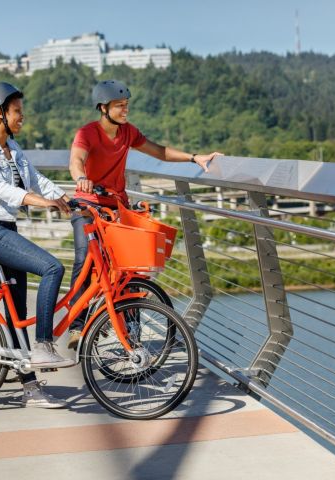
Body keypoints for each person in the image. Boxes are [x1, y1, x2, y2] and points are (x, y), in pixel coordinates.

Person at [67, 79, 222, 349]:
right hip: (88, 206)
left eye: (126, 105)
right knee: (85, 258)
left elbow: (159, 151)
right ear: (103, 108)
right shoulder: (87, 133)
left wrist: (194, 157)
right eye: (119, 106)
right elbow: (76, 160)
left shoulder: (128, 133)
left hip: (116, 206)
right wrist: (82, 178)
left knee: (127, 267)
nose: (125, 111)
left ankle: (130, 325)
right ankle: (76, 324)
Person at [0, 82, 74, 408]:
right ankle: (42, 345)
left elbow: (37, 178)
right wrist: (39, 202)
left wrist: (64, 197)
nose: (22, 117)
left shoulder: (13, 149)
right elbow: (1, 189)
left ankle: (30, 388)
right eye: (16, 111)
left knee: (16, 313)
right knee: (52, 267)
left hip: (6, 230)